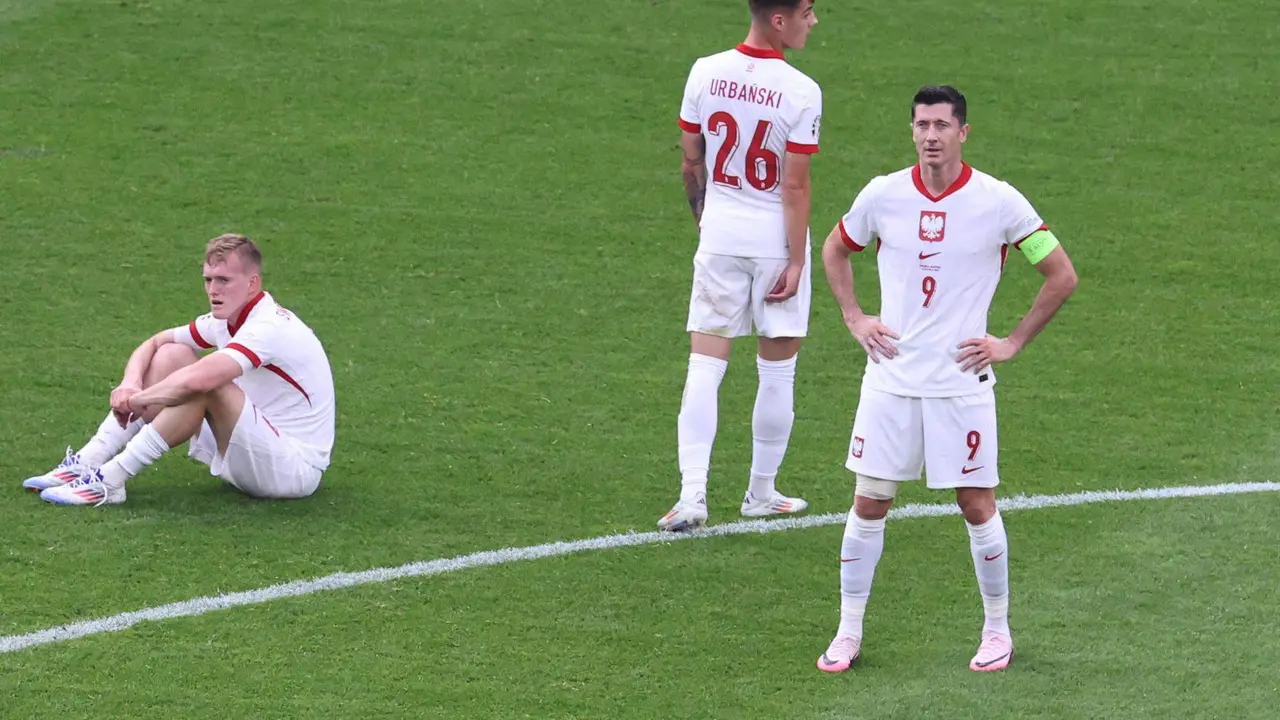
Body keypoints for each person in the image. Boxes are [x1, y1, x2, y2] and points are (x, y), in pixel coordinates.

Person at [814, 86, 1079, 672]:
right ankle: (848, 632)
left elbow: (1061, 274)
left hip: (961, 385)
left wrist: (1009, 343)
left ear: (964, 132)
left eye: (941, 124)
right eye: (920, 125)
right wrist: (855, 318)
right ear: (912, 131)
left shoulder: (1000, 203)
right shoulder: (883, 195)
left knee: (977, 504)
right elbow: (834, 249)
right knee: (868, 502)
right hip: (890, 381)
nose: (930, 135)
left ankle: (997, 631)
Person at [658, 0, 822, 532]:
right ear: (780, 19)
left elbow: (691, 159)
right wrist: (797, 260)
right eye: (807, 11)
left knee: (705, 365)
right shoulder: (800, 90)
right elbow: (794, 185)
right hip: (774, 241)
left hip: (721, 235)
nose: (812, 21)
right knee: (776, 370)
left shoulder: (705, 70)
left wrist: (705, 219)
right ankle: (760, 492)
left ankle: (691, 496)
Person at [22, 234, 336, 506]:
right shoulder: (226, 320)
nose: (213, 290)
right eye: (208, 279)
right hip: (255, 446)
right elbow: (156, 341)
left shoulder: (268, 327)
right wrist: (130, 383)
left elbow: (201, 379)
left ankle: (110, 481)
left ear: (252, 283)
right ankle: (88, 461)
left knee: (204, 384)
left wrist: (139, 401)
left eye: (224, 280)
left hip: (293, 470)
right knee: (172, 354)